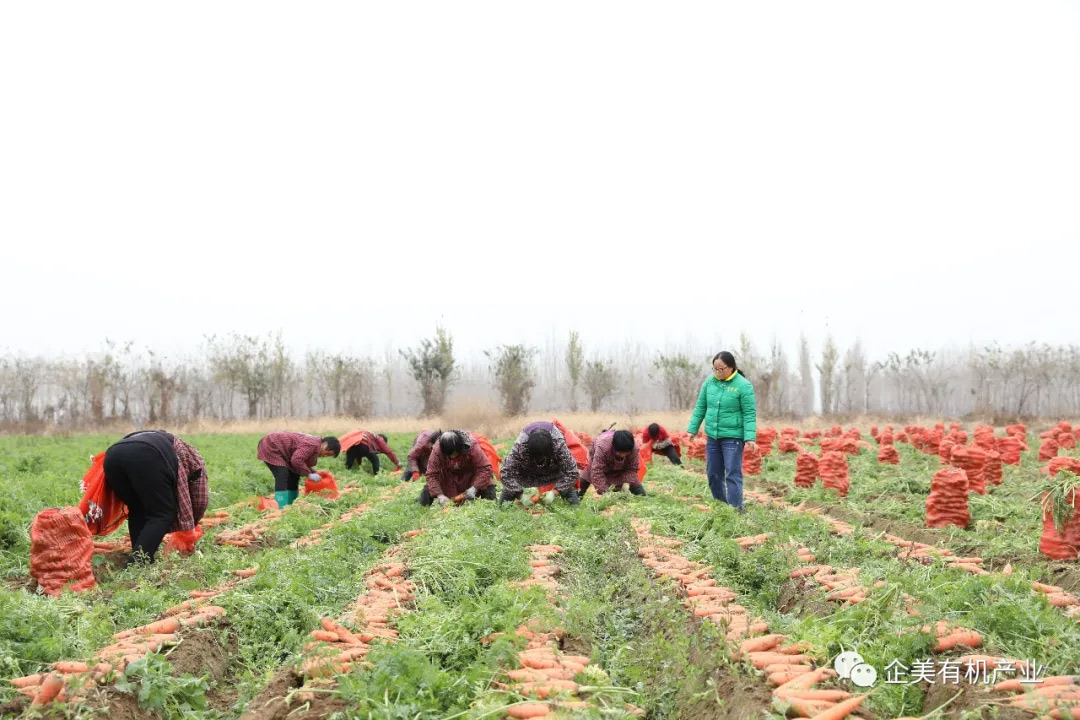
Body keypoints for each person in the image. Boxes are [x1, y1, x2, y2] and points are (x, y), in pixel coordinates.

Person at [102, 430, 208, 564]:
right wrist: (191, 521)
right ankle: (138, 562)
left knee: (137, 509)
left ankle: (142, 557)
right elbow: (200, 499)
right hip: (147, 456)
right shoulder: (193, 458)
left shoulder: (170, 444)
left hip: (112, 457)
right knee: (162, 513)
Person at [687, 351, 757, 511]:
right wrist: (693, 428)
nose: (717, 372)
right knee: (713, 474)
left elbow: (749, 413)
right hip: (713, 436)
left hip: (733, 437)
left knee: (732, 474)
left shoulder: (743, 385)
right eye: (715, 369)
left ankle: (735, 510)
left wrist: (750, 437)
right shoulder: (709, 383)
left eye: (721, 369)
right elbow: (700, 407)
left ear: (731, 367)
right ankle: (721, 507)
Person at [498, 421, 582, 505]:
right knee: (509, 485)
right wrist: (521, 496)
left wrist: (554, 492)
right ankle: (503, 510)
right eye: (537, 455)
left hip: (552, 469)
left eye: (542, 455)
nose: (540, 458)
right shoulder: (521, 446)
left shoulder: (558, 444)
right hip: (527, 471)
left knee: (566, 481)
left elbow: (573, 472)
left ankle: (575, 512)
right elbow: (505, 473)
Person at [257, 431, 340, 508]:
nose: (325, 456)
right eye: (327, 453)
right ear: (324, 444)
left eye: (328, 456)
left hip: (282, 450)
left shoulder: (315, 445)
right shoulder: (313, 444)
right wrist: (309, 474)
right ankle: (280, 506)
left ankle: (290, 504)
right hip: (272, 445)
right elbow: (296, 460)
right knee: (282, 474)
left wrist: (313, 472)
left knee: (295, 473)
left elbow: (300, 462)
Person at [420, 430, 497, 506]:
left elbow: (485, 467)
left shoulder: (471, 445)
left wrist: (474, 488)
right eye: (449, 455)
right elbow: (431, 474)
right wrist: (439, 495)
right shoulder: (437, 449)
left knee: (487, 482)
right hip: (449, 476)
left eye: (454, 453)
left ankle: (489, 506)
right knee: (431, 485)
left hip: (471, 473)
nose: (452, 457)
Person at [580, 429, 646, 497]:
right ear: (614, 447)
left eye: (626, 453)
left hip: (622, 470)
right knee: (583, 481)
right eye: (620, 453)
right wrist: (604, 492)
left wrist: (627, 483)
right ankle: (576, 501)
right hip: (601, 467)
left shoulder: (634, 448)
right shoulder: (603, 446)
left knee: (641, 493)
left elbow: (633, 468)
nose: (623, 455)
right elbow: (597, 471)